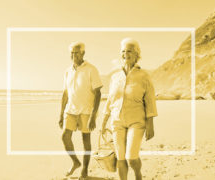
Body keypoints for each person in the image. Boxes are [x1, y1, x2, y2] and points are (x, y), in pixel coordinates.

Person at [101, 38, 157, 180]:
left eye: (130, 51)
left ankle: (138, 174)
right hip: (117, 121)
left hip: (136, 122)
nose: (126, 54)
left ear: (137, 54)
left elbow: (150, 100)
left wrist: (150, 124)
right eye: (123, 51)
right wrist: (103, 122)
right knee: (120, 158)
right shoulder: (115, 77)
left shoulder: (144, 76)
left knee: (131, 157)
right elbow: (110, 100)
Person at [59, 42, 103, 178]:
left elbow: (98, 93)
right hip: (70, 110)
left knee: (86, 141)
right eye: (71, 52)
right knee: (65, 137)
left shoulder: (91, 69)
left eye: (76, 52)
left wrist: (93, 116)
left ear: (83, 53)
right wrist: (61, 114)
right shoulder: (67, 71)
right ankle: (75, 162)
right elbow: (65, 93)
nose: (73, 55)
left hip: (86, 111)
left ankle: (84, 170)